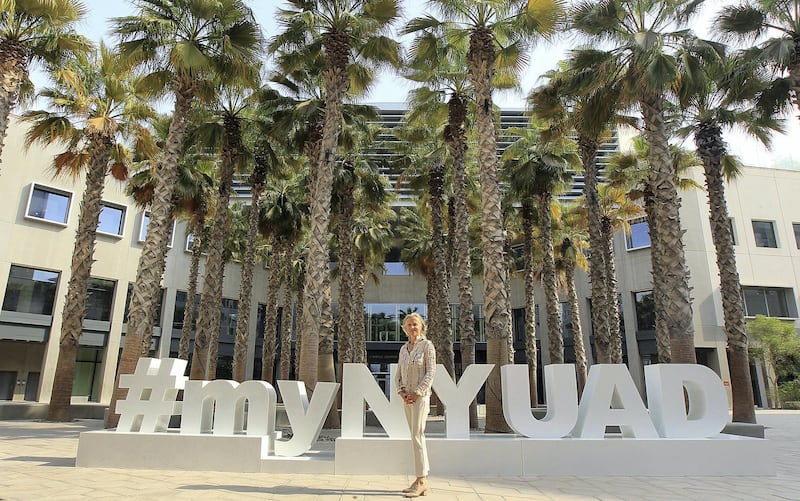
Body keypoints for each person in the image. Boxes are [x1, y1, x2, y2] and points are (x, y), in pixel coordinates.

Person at [396, 312, 436, 498]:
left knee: (417, 435)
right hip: (407, 399)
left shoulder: (427, 346)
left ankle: (421, 480)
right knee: (415, 437)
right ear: (405, 328)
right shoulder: (404, 349)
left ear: (421, 326)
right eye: (409, 325)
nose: (412, 327)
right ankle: (421, 480)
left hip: (420, 399)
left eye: (415, 324)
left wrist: (416, 393)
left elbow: (430, 373)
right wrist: (402, 392)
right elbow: (398, 375)